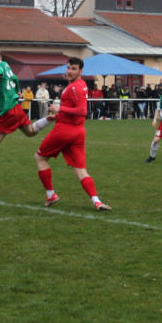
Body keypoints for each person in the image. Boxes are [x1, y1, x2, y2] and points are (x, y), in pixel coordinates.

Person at [34, 57, 111, 211]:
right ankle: (97, 201)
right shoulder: (80, 85)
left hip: (65, 130)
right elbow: (75, 110)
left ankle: (51, 195)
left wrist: (59, 109)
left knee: (40, 158)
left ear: (81, 71)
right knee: (80, 170)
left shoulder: (75, 87)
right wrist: (58, 116)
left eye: (73, 69)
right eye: (68, 68)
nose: (69, 71)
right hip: (78, 132)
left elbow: (82, 111)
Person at [0, 49, 50, 195]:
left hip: (7, 112)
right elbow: (15, 78)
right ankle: (50, 118)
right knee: (30, 132)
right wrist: (16, 89)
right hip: (16, 108)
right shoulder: (6, 66)